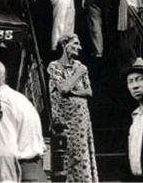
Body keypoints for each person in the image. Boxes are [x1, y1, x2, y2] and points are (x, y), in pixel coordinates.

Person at [0, 56, 47, 182]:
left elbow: (6, 153)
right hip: (35, 173)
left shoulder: (0, 105)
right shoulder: (20, 98)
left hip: (17, 175)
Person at [47, 34, 98, 182]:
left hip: (80, 118)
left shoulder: (80, 66)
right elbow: (63, 88)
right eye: (75, 44)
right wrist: (78, 74)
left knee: (81, 154)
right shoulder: (54, 66)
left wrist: (73, 92)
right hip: (63, 118)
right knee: (65, 153)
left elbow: (89, 92)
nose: (79, 48)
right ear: (64, 44)